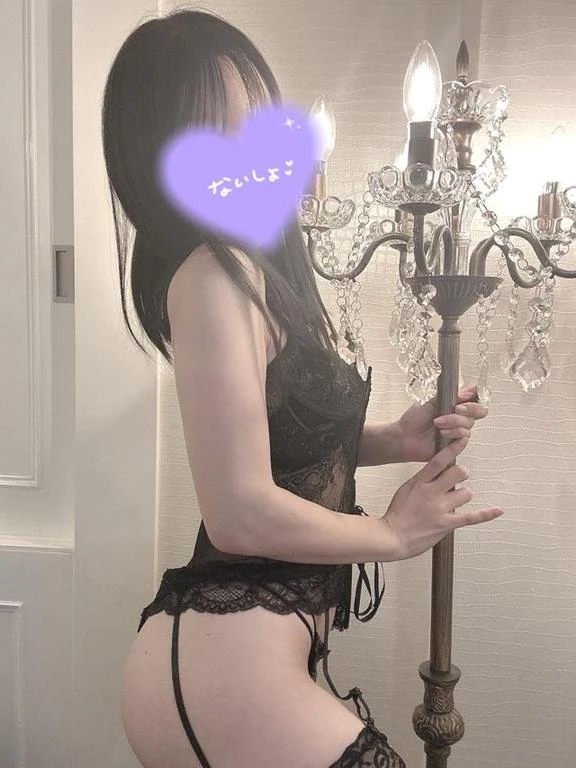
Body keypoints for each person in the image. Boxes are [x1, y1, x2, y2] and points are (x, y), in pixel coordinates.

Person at [102, 8, 504, 768]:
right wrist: (391, 534)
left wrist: (394, 440)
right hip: (224, 668)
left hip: (237, 664)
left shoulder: (249, 271)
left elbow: (277, 440)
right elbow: (237, 512)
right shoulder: (213, 273)